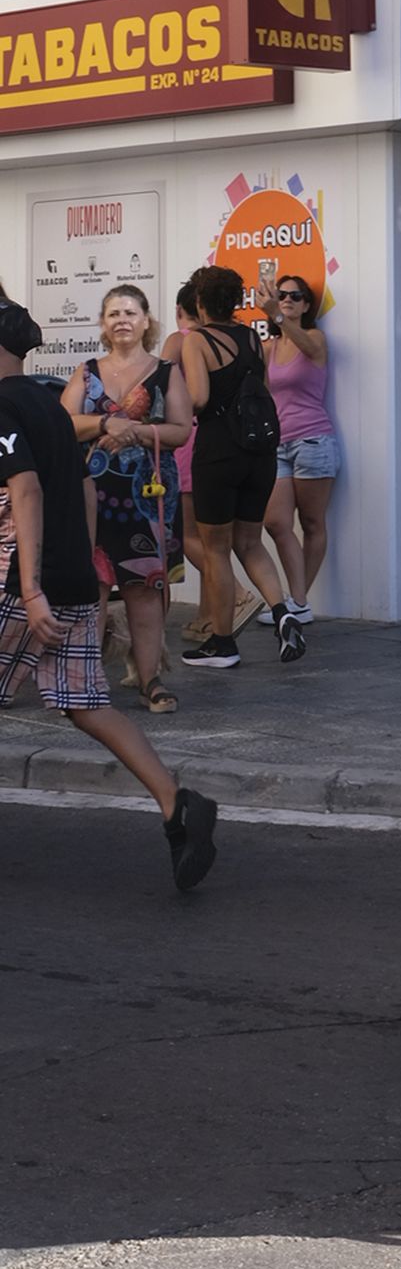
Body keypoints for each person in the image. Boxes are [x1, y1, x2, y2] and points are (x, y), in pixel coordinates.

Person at [0, 294, 218, 888]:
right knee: (85, 702)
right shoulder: (48, 407)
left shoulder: (7, 406)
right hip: (66, 577)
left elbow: (26, 492)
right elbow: (85, 492)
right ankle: (179, 805)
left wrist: (32, 587)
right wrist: (76, 566)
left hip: (22, 584)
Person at [62, 287, 190, 715]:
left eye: (131, 313)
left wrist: (135, 431)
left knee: (143, 590)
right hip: (91, 498)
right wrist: (104, 422)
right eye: (114, 313)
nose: (122, 320)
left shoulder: (165, 371)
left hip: (147, 497)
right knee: (92, 589)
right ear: (102, 323)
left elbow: (180, 430)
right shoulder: (87, 370)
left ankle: (150, 679)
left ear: (146, 321)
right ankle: (87, 681)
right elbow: (63, 424)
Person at [179, 266, 287, 669]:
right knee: (252, 543)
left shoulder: (197, 340)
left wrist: (168, 409)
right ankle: (282, 612)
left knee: (217, 550)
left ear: (201, 303)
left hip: (219, 453)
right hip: (260, 454)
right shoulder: (252, 339)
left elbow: (200, 398)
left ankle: (222, 643)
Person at [259, 259, 339, 628]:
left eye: (295, 296)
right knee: (275, 522)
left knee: (311, 522)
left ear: (307, 305)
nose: (287, 300)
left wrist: (277, 316)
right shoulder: (269, 347)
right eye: (281, 295)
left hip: (312, 440)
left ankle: (297, 602)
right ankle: (295, 601)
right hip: (277, 444)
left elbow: (305, 343)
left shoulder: (316, 339)